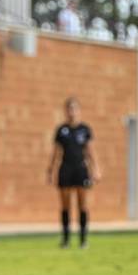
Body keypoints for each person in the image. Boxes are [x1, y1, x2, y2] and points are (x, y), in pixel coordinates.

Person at [47, 97, 99, 248]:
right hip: (65, 169)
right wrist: (51, 171)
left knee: (82, 205)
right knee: (65, 206)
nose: (72, 112)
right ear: (65, 111)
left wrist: (96, 169)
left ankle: (83, 240)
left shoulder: (85, 129)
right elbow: (56, 153)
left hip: (81, 169)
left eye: (75, 109)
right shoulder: (62, 130)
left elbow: (90, 151)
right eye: (69, 109)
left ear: (79, 111)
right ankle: (66, 239)